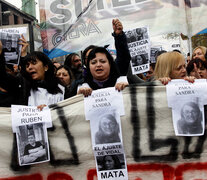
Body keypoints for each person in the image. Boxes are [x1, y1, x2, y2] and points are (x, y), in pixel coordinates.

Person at [0, 39, 64, 108]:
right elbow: (2, 78)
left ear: (45, 67)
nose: (30, 67)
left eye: (34, 63)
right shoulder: (22, 85)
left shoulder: (61, 88)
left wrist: (49, 110)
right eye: (27, 65)